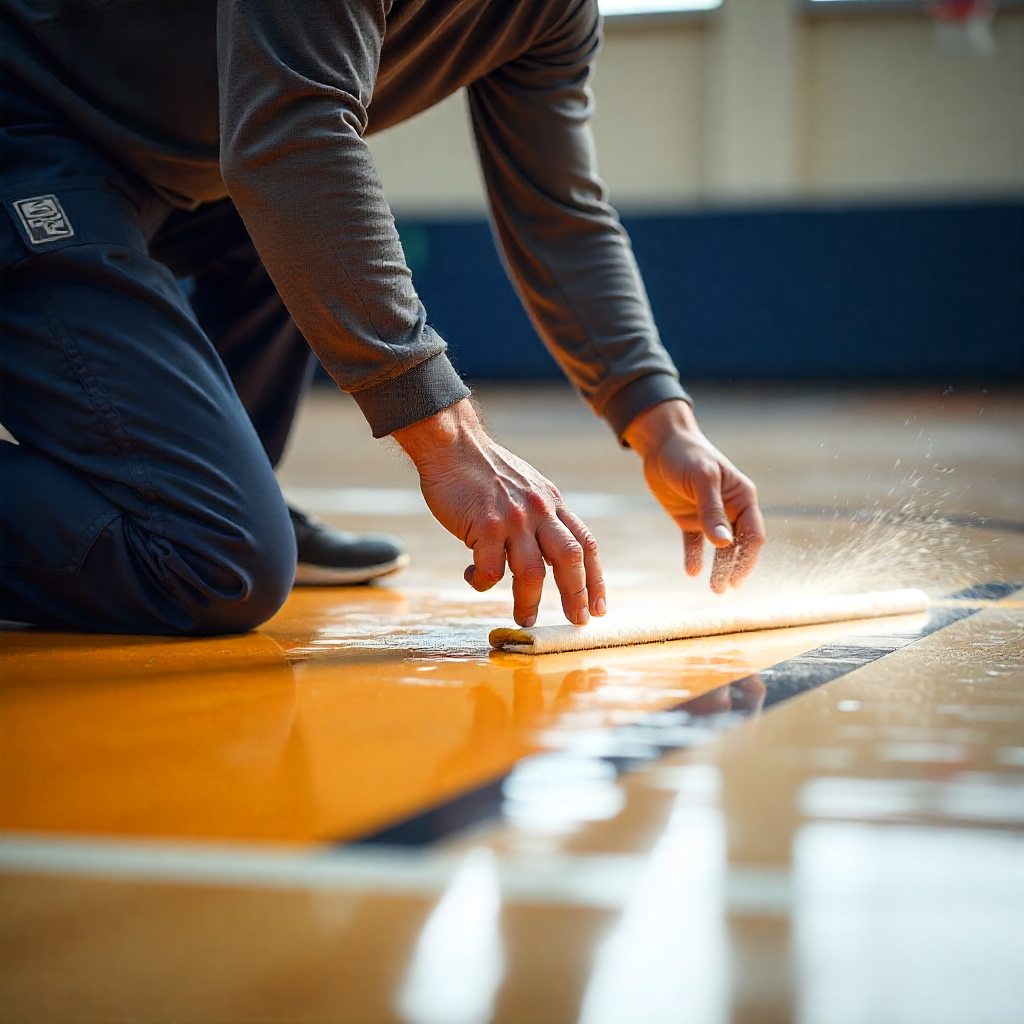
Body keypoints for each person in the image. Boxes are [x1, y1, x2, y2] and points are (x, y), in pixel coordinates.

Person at [0, 0, 764, 636]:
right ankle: (198, 511)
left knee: (296, 227)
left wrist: (664, 426)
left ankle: (199, 489)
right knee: (213, 560)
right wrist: (450, 441)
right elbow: (290, 138)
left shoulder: (556, 12)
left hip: (156, 176)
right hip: (26, 131)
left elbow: (561, 214)